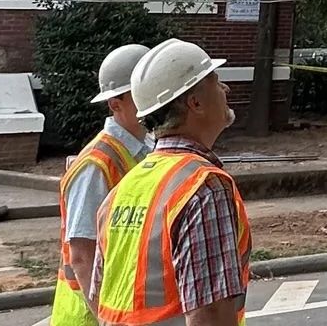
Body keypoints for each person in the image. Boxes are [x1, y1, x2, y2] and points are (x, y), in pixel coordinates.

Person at [92, 38, 250, 326]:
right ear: (196, 103)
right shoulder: (202, 186)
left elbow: (100, 297)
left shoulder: (126, 187)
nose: (225, 89)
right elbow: (210, 313)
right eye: (215, 81)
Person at [48, 43, 153, 326]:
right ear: (115, 104)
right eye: (141, 93)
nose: (152, 99)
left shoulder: (147, 151)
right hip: (88, 318)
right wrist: (110, 320)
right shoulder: (96, 165)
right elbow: (82, 256)